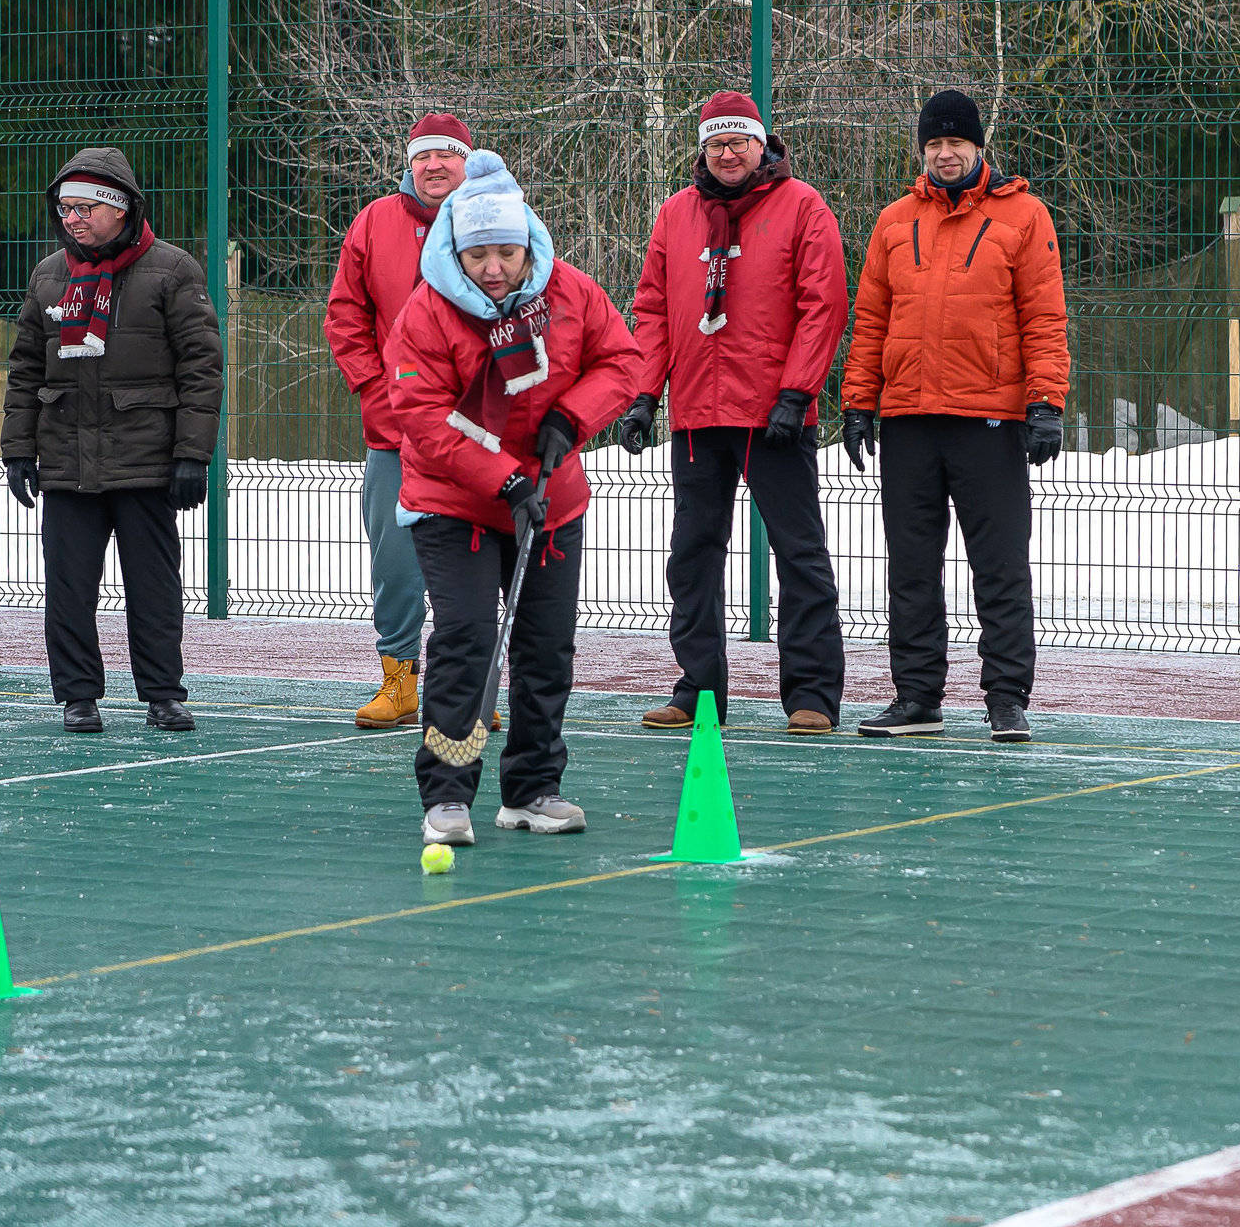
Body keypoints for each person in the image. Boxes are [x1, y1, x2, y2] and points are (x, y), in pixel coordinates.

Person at [386, 150, 641, 846]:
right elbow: (422, 415)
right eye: (478, 254)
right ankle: (446, 793)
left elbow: (623, 361)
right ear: (456, 252)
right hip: (455, 502)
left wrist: (571, 419)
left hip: (551, 501)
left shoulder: (572, 294)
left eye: (506, 251)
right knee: (468, 640)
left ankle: (531, 787)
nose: (493, 268)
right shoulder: (427, 313)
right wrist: (503, 476)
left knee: (546, 647)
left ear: (528, 243)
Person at [838, 89, 1071, 743]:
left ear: (978, 148)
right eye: (935, 144)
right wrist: (858, 403)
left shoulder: (1024, 217)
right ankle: (917, 698)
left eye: (956, 143)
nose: (945, 154)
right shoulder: (893, 222)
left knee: (999, 565)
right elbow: (872, 319)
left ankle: (1006, 699)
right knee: (912, 568)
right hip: (908, 417)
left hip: (989, 418)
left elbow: (1044, 317)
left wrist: (1045, 402)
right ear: (923, 149)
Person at [622, 91, 849, 735]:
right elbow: (653, 310)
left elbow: (823, 305)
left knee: (798, 553)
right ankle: (698, 689)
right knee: (692, 553)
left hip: (775, 415)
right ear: (703, 150)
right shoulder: (676, 215)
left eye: (739, 142)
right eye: (716, 144)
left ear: (761, 145)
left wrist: (797, 392)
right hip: (697, 412)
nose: (728, 154)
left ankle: (811, 695)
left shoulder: (803, 206)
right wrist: (645, 394)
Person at [2, 148, 225, 734]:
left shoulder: (173, 271)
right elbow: (27, 369)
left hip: (146, 459)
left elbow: (202, 370)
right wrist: (18, 449)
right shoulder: (49, 275)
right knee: (69, 587)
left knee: (154, 586)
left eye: (82, 208)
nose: (70, 218)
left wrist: (191, 455)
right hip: (67, 460)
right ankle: (78, 696)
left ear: (118, 209)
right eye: (63, 208)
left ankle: (163, 694)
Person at [326, 113, 475, 730]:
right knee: (394, 560)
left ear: (467, 161)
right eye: (422, 156)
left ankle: (469, 685)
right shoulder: (373, 223)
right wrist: (372, 387)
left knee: (474, 563)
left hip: (475, 431)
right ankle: (399, 680)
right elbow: (345, 315)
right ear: (408, 165)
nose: (434, 165)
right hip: (394, 433)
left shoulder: (490, 220)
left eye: (446, 154)